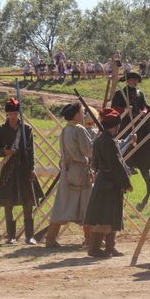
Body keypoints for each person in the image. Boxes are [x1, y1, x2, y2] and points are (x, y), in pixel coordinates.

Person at [0, 98, 42, 245]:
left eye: (15, 113)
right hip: (9, 170)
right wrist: (4, 152)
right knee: (8, 203)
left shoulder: (26, 129)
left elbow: (31, 151)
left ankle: (29, 236)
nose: (13, 116)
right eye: (10, 114)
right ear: (7, 114)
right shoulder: (0, 130)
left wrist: (32, 168)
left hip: (24, 168)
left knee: (28, 203)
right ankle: (11, 236)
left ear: (19, 113)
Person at [46, 102, 96, 248]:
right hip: (80, 171)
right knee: (87, 203)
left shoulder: (65, 129)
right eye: (81, 112)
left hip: (68, 172)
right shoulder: (79, 129)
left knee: (62, 203)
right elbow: (89, 151)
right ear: (75, 115)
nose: (84, 115)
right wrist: (97, 142)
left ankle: (51, 238)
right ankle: (90, 239)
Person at [84, 108, 133, 257]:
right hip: (109, 182)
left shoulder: (102, 139)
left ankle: (110, 247)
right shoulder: (108, 141)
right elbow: (115, 164)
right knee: (105, 217)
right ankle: (94, 249)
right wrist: (126, 182)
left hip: (106, 180)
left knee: (112, 216)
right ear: (115, 125)